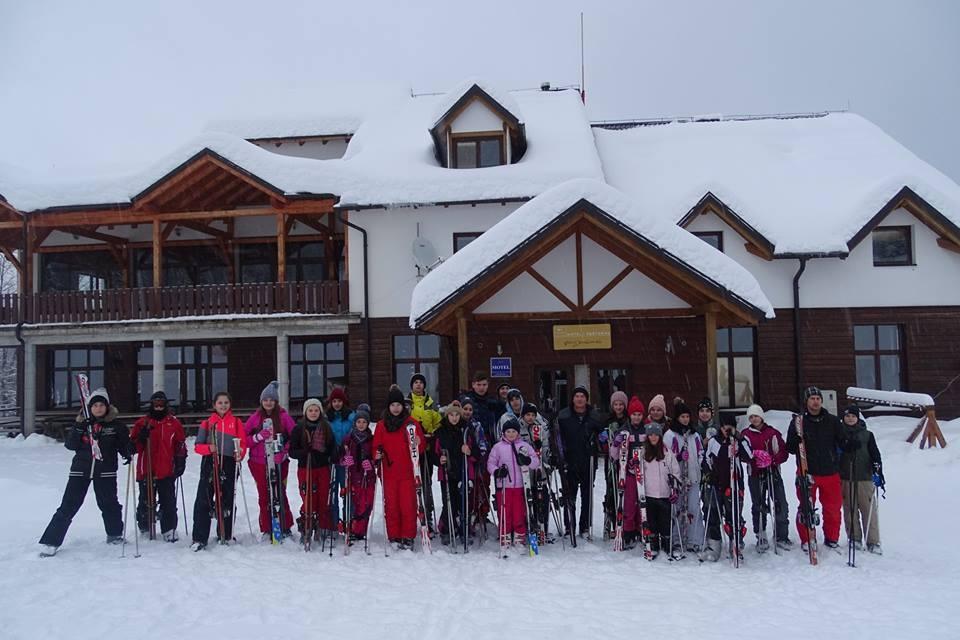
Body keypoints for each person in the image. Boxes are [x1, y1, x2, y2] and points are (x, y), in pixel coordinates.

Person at [39, 388, 131, 557]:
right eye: (95, 405)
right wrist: (81, 427)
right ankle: (51, 541)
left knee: (109, 503)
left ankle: (115, 534)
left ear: (107, 407)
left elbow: (124, 445)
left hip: (105, 471)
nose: (98, 408)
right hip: (81, 470)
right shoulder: (81, 423)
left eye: (101, 405)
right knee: (69, 504)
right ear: (90, 407)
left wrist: (129, 452)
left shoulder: (116, 426)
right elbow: (70, 445)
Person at [787, 386, 844, 552]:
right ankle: (806, 538)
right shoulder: (799, 422)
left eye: (818, 398)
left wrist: (849, 443)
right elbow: (790, 448)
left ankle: (832, 538)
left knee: (833, 506)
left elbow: (842, 442)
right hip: (807, 471)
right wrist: (795, 440)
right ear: (807, 401)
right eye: (812, 399)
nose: (815, 401)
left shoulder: (833, 421)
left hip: (830, 471)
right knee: (806, 506)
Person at [191, 392, 247, 551]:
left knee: (228, 498)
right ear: (214, 405)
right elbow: (197, 446)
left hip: (229, 462)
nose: (223, 405)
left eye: (226, 402)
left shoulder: (236, 423)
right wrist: (209, 448)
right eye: (220, 403)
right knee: (205, 498)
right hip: (210, 462)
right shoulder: (207, 423)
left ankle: (226, 533)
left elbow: (243, 443)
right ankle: (200, 538)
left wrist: (239, 453)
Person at [373, 386, 427, 550]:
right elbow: (376, 446)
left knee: (408, 505)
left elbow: (421, 446)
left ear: (403, 406)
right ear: (388, 407)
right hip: (389, 472)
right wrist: (377, 454)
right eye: (393, 405)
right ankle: (394, 534)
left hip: (408, 473)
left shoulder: (411, 424)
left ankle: (408, 535)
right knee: (391, 505)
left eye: (398, 405)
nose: (396, 408)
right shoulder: (382, 425)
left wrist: (419, 443)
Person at [131, 391, 186, 542]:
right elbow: (132, 446)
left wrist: (181, 459)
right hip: (146, 467)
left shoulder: (173, 423)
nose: (159, 407)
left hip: (166, 468)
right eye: (156, 404)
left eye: (162, 404)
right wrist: (140, 437)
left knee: (168, 500)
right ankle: (145, 526)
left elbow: (180, 443)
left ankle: (169, 529)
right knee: (145, 499)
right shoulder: (142, 423)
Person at [244, 381, 296, 540]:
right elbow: (243, 440)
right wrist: (257, 437)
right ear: (261, 401)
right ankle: (267, 527)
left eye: (271, 400)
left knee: (279, 492)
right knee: (264, 494)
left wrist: (284, 451)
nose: (268, 403)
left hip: (280, 462)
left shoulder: (283, 417)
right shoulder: (255, 418)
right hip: (259, 462)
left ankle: (285, 525)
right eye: (266, 400)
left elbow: (295, 436)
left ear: (276, 401)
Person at [553, 385, 604, 537]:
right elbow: (557, 438)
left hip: (588, 459)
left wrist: (601, 439)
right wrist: (559, 456)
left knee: (587, 495)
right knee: (570, 495)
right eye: (577, 396)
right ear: (573, 399)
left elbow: (601, 436)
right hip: (569, 461)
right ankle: (569, 526)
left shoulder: (594, 416)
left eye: (582, 396)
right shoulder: (563, 416)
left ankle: (585, 526)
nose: (580, 399)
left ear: (586, 399)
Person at [740, 404, 791, 552]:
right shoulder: (746, 434)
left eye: (756, 416)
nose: (754, 419)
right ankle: (760, 534)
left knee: (780, 502)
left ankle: (781, 535)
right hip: (755, 473)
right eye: (751, 417)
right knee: (758, 504)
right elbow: (743, 453)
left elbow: (783, 452)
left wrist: (773, 459)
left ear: (761, 417)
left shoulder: (772, 433)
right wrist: (753, 456)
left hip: (772, 471)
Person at [702, 414, 752, 561]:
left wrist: (739, 438)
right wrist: (708, 473)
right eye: (724, 427)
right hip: (717, 484)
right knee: (713, 514)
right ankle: (714, 546)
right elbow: (706, 459)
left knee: (734, 514)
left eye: (729, 427)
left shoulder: (739, 441)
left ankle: (735, 543)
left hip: (734, 484)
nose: (726, 430)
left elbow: (749, 456)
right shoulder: (714, 442)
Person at [288, 398, 336, 544]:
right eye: (310, 410)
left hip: (322, 467)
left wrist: (332, 453)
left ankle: (323, 526)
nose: (313, 413)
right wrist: (304, 452)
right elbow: (292, 452)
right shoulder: (299, 428)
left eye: (316, 410)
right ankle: (306, 527)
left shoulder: (326, 427)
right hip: (305, 467)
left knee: (323, 498)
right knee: (308, 498)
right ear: (305, 412)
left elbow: (332, 446)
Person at [487, 418, 541, 547]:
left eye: (513, 431)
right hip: (504, 486)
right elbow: (490, 463)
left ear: (518, 433)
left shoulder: (524, 446)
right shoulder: (498, 447)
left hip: (520, 486)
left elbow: (535, 461)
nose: (511, 434)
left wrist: (527, 461)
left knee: (519, 512)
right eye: (508, 431)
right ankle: (504, 535)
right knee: (505, 512)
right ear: (504, 433)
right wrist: (497, 471)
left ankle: (519, 535)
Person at [839, 406, 884, 555]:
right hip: (846, 477)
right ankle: (854, 538)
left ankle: (872, 541)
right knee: (849, 510)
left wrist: (878, 470)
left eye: (853, 416)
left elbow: (875, 454)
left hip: (864, 477)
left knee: (868, 510)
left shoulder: (867, 435)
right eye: (847, 416)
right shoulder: (839, 434)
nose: (850, 418)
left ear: (858, 418)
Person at [663, 399, 705, 553]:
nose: (685, 420)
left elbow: (700, 452)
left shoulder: (694, 435)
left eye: (687, 416)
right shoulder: (670, 435)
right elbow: (666, 455)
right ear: (677, 418)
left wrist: (700, 464)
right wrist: (679, 457)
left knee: (693, 508)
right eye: (682, 417)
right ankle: (677, 538)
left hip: (692, 477)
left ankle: (694, 539)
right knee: (678, 508)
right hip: (677, 479)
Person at [429, 405, 475, 545]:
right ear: (447, 416)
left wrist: (469, 451)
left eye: (457, 415)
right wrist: (439, 460)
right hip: (447, 472)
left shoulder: (466, 430)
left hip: (463, 471)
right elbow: (433, 454)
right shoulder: (441, 432)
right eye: (451, 415)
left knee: (464, 503)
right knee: (449, 502)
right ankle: (447, 529)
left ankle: (464, 529)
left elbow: (477, 451)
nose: (454, 418)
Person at [608, 396, 646, 550]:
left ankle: (640, 529)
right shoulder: (624, 430)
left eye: (639, 414)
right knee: (629, 503)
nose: (636, 417)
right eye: (634, 414)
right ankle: (628, 532)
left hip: (644, 472)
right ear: (629, 415)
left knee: (641, 503)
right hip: (628, 473)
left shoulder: (646, 430)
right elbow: (614, 455)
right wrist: (615, 445)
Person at [407, 373, 440, 534]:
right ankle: (411, 517)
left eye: (421, 383)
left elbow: (438, 422)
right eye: (416, 383)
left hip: (426, 449)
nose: (418, 385)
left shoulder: (430, 403)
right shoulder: (407, 403)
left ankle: (427, 517)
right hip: (410, 450)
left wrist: (431, 433)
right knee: (410, 486)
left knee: (426, 484)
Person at [339, 407, 378, 543]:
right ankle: (353, 529)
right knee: (354, 503)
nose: (361, 425)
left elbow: (377, 457)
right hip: (353, 475)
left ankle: (361, 530)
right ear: (355, 423)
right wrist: (344, 460)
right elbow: (340, 456)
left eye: (364, 422)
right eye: (359, 422)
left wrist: (372, 463)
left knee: (366, 503)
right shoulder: (348, 440)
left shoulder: (372, 439)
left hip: (367, 477)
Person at [325, 386, 355, 528]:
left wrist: (346, 446)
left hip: (345, 457)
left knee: (346, 490)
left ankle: (349, 519)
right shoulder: (327, 418)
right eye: (334, 401)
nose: (337, 404)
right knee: (332, 491)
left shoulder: (350, 417)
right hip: (331, 458)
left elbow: (354, 432)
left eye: (339, 401)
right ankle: (334, 521)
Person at [602, 391, 629, 540]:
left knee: (625, 490)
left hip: (625, 459)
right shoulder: (608, 420)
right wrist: (603, 441)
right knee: (612, 490)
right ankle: (612, 523)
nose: (618, 407)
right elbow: (602, 440)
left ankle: (626, 524)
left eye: (621, 404)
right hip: (612, 461)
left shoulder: (628, 420)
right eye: (616, 404)